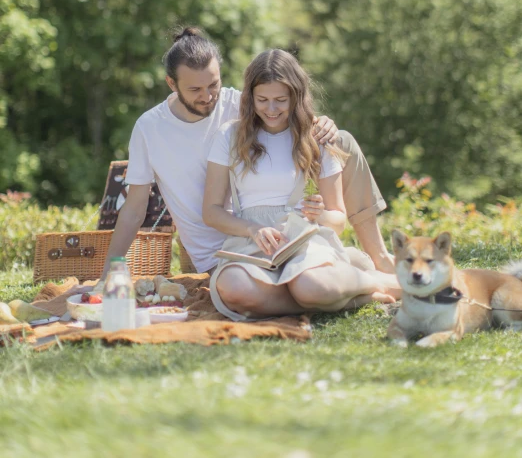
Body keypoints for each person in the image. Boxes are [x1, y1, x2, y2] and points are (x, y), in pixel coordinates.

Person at [98, 27, 339, 280]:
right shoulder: (149, 128)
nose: (208, 96)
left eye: (214, 84)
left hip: (269, 238)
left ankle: (375, 256)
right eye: (195, 90)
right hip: (216, 253)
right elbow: (135, 209)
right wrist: (108, 273)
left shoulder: (239, 105)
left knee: (345, 144)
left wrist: (322, 123)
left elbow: (286, 114)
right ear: (171, 83)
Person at [203, 49, 399, 321]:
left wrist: (319, 216)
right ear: (250, 97)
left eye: (280, 100)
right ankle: (345, 297)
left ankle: (375, 282)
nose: (271, 110)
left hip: (304, 240)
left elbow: (338, 220)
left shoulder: (316, 137)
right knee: (235, 289)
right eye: (263, 100)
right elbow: (211, 211)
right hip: (251, 241)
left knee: (309, 285)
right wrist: (251, 229)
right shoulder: (230, 135)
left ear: (296, 96)